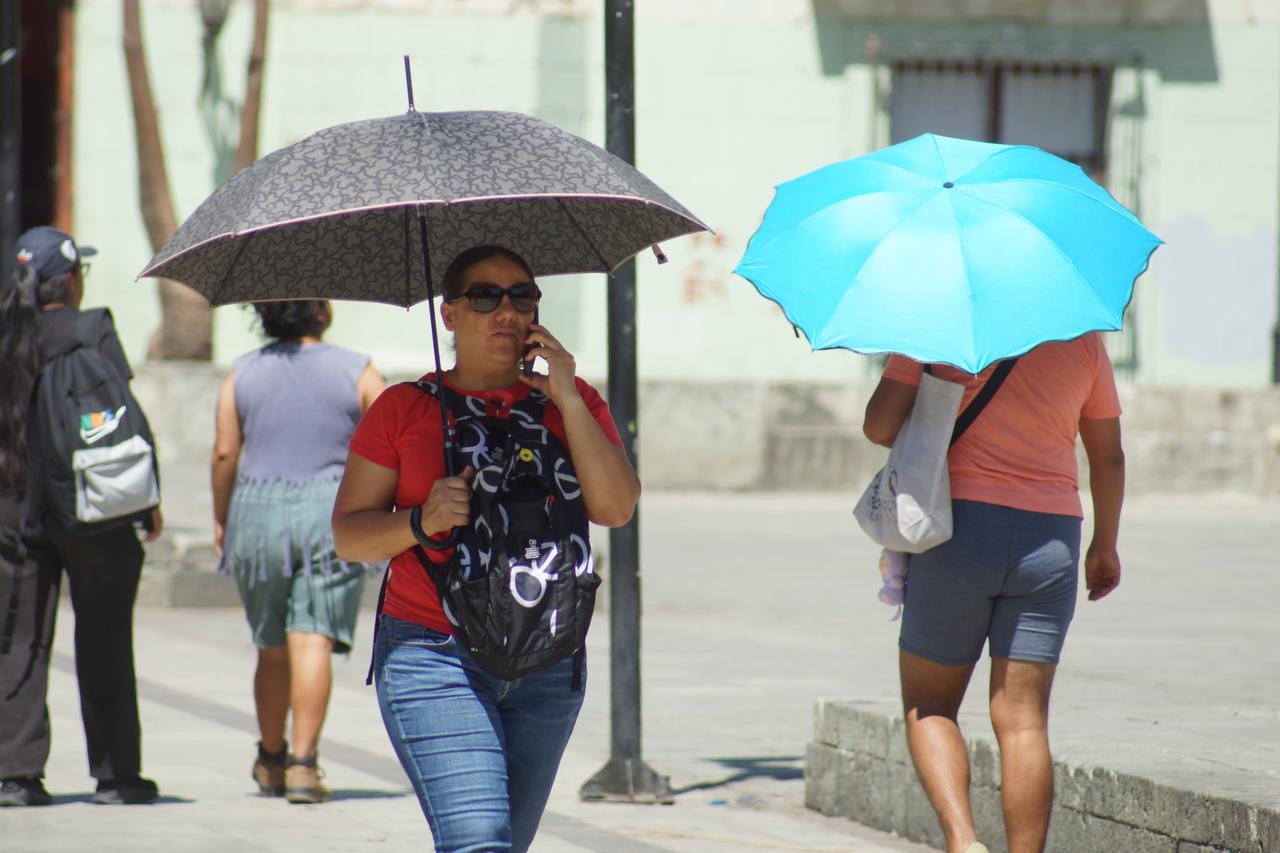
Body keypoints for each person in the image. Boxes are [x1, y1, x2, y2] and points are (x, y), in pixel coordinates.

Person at [332, 245, 640, 852]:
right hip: (432, 653)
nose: (506, 311)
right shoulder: (404, 408)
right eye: (484, 296)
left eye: (522, 295)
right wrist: (420, 521)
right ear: (449, 314)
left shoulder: (573, 403)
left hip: (547, 657)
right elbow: (348, 534)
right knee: (479, 842)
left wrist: (569, 396)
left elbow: (615, 507)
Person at [861, 334, 1125, 853]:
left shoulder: (934, 328)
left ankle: (964, 843)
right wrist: (1106, 545)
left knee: (930, 704)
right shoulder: (1083, 340)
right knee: (1025, 722)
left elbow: (878, 427)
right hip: (1051, 538)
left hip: (958, 530)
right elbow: (1108, 456)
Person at [0, 227, 165, 806]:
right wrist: (147, 501)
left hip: (14, 509)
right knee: (105, 638)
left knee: (17, 638)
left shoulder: (5, 335)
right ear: (69, 281)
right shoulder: (92, 328)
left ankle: (15, 776)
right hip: (93, 506)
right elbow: (120, 421)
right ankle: (117, 776)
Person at [211, 300, 385, 803]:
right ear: (321, 315)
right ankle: (304, 766)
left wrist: (223, 518)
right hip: (331, 511)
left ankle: (269, 759)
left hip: (257, 512)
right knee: (312, 640)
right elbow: (394, 429)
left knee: (270, 645)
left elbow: (225, 451)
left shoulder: (240, 374)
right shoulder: (358, 369)